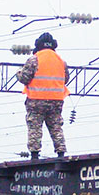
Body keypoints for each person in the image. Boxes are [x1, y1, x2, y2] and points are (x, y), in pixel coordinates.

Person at [16, 32, 69, 160]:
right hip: (56, 100)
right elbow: (65, 79)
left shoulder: (34, 59)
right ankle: (61, 152)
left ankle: (35, 154)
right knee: (56, 126)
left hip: (36, 99)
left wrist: (18, 72)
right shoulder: (61, 61)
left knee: (35, 125)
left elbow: (24, 78)